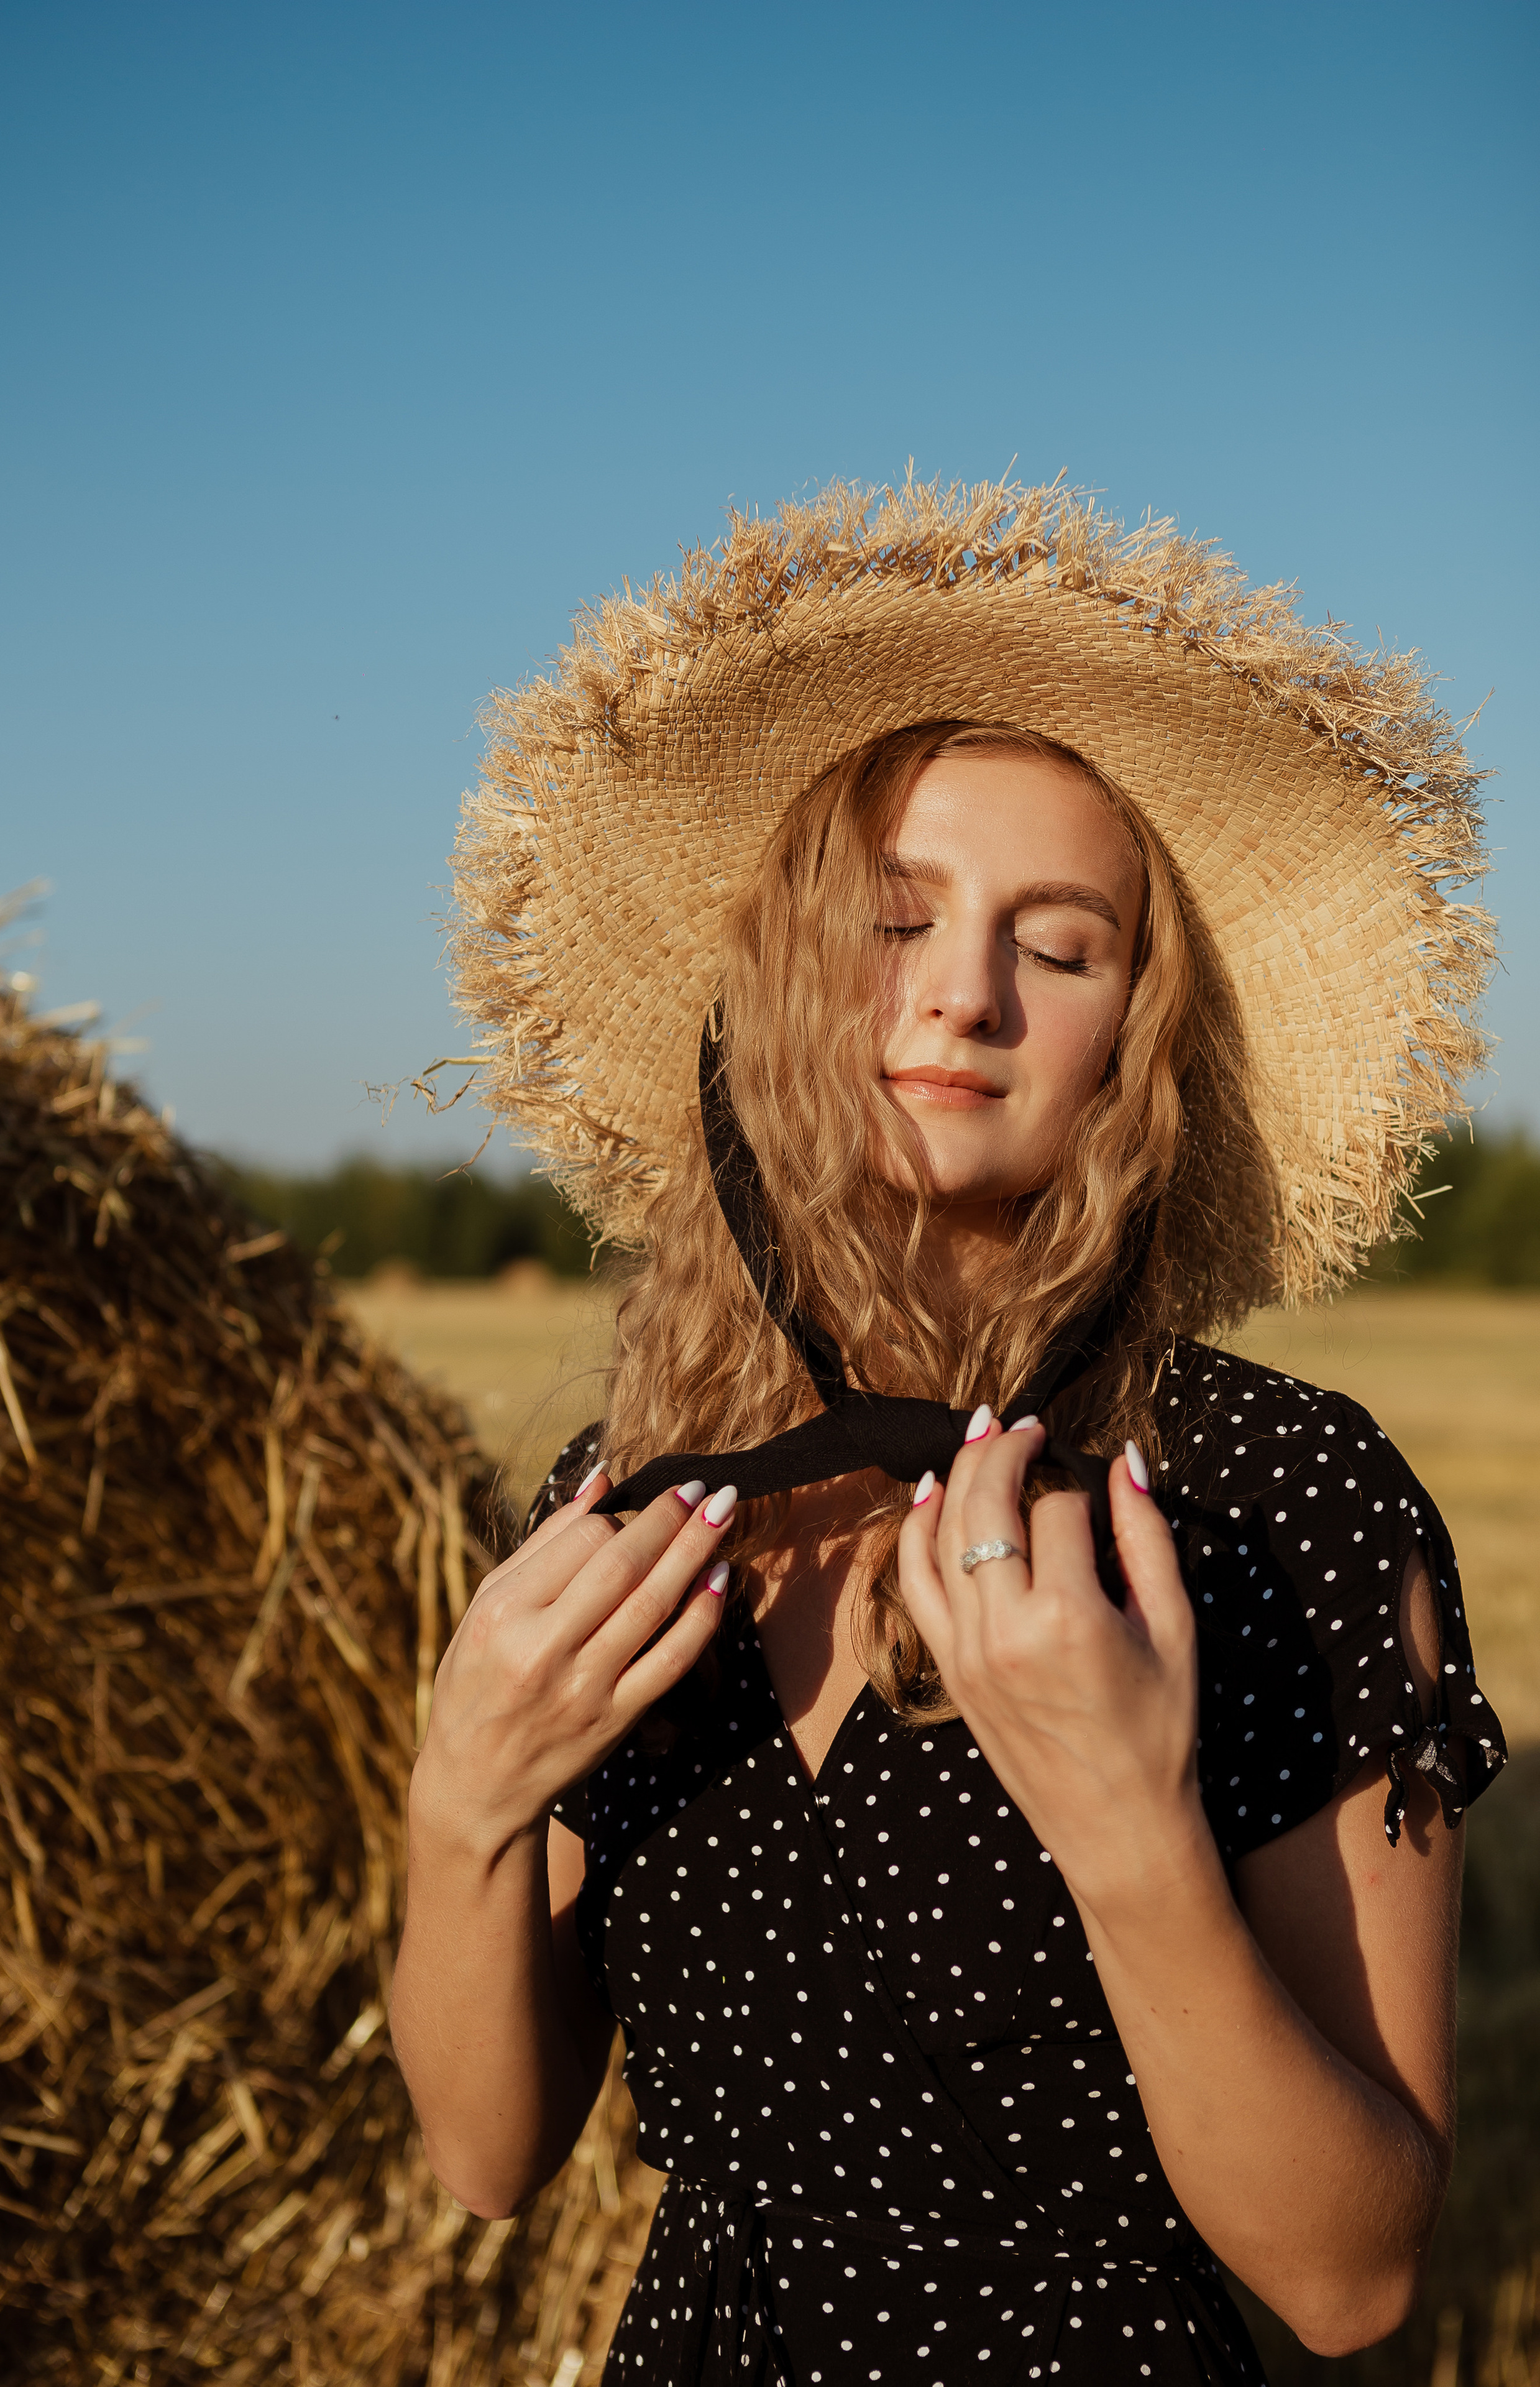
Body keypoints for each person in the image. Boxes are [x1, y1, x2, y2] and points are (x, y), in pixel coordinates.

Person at [390, 477, 1506, 2384]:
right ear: (778, 983)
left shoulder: (1263, 1500)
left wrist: (1126, 1830)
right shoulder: (637, 1493)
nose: (965, 995)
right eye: (895, 919)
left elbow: (1353, 2281)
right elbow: (493, 2159)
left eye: (1058, 948)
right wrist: (465, 1798)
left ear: (1131, 1047)